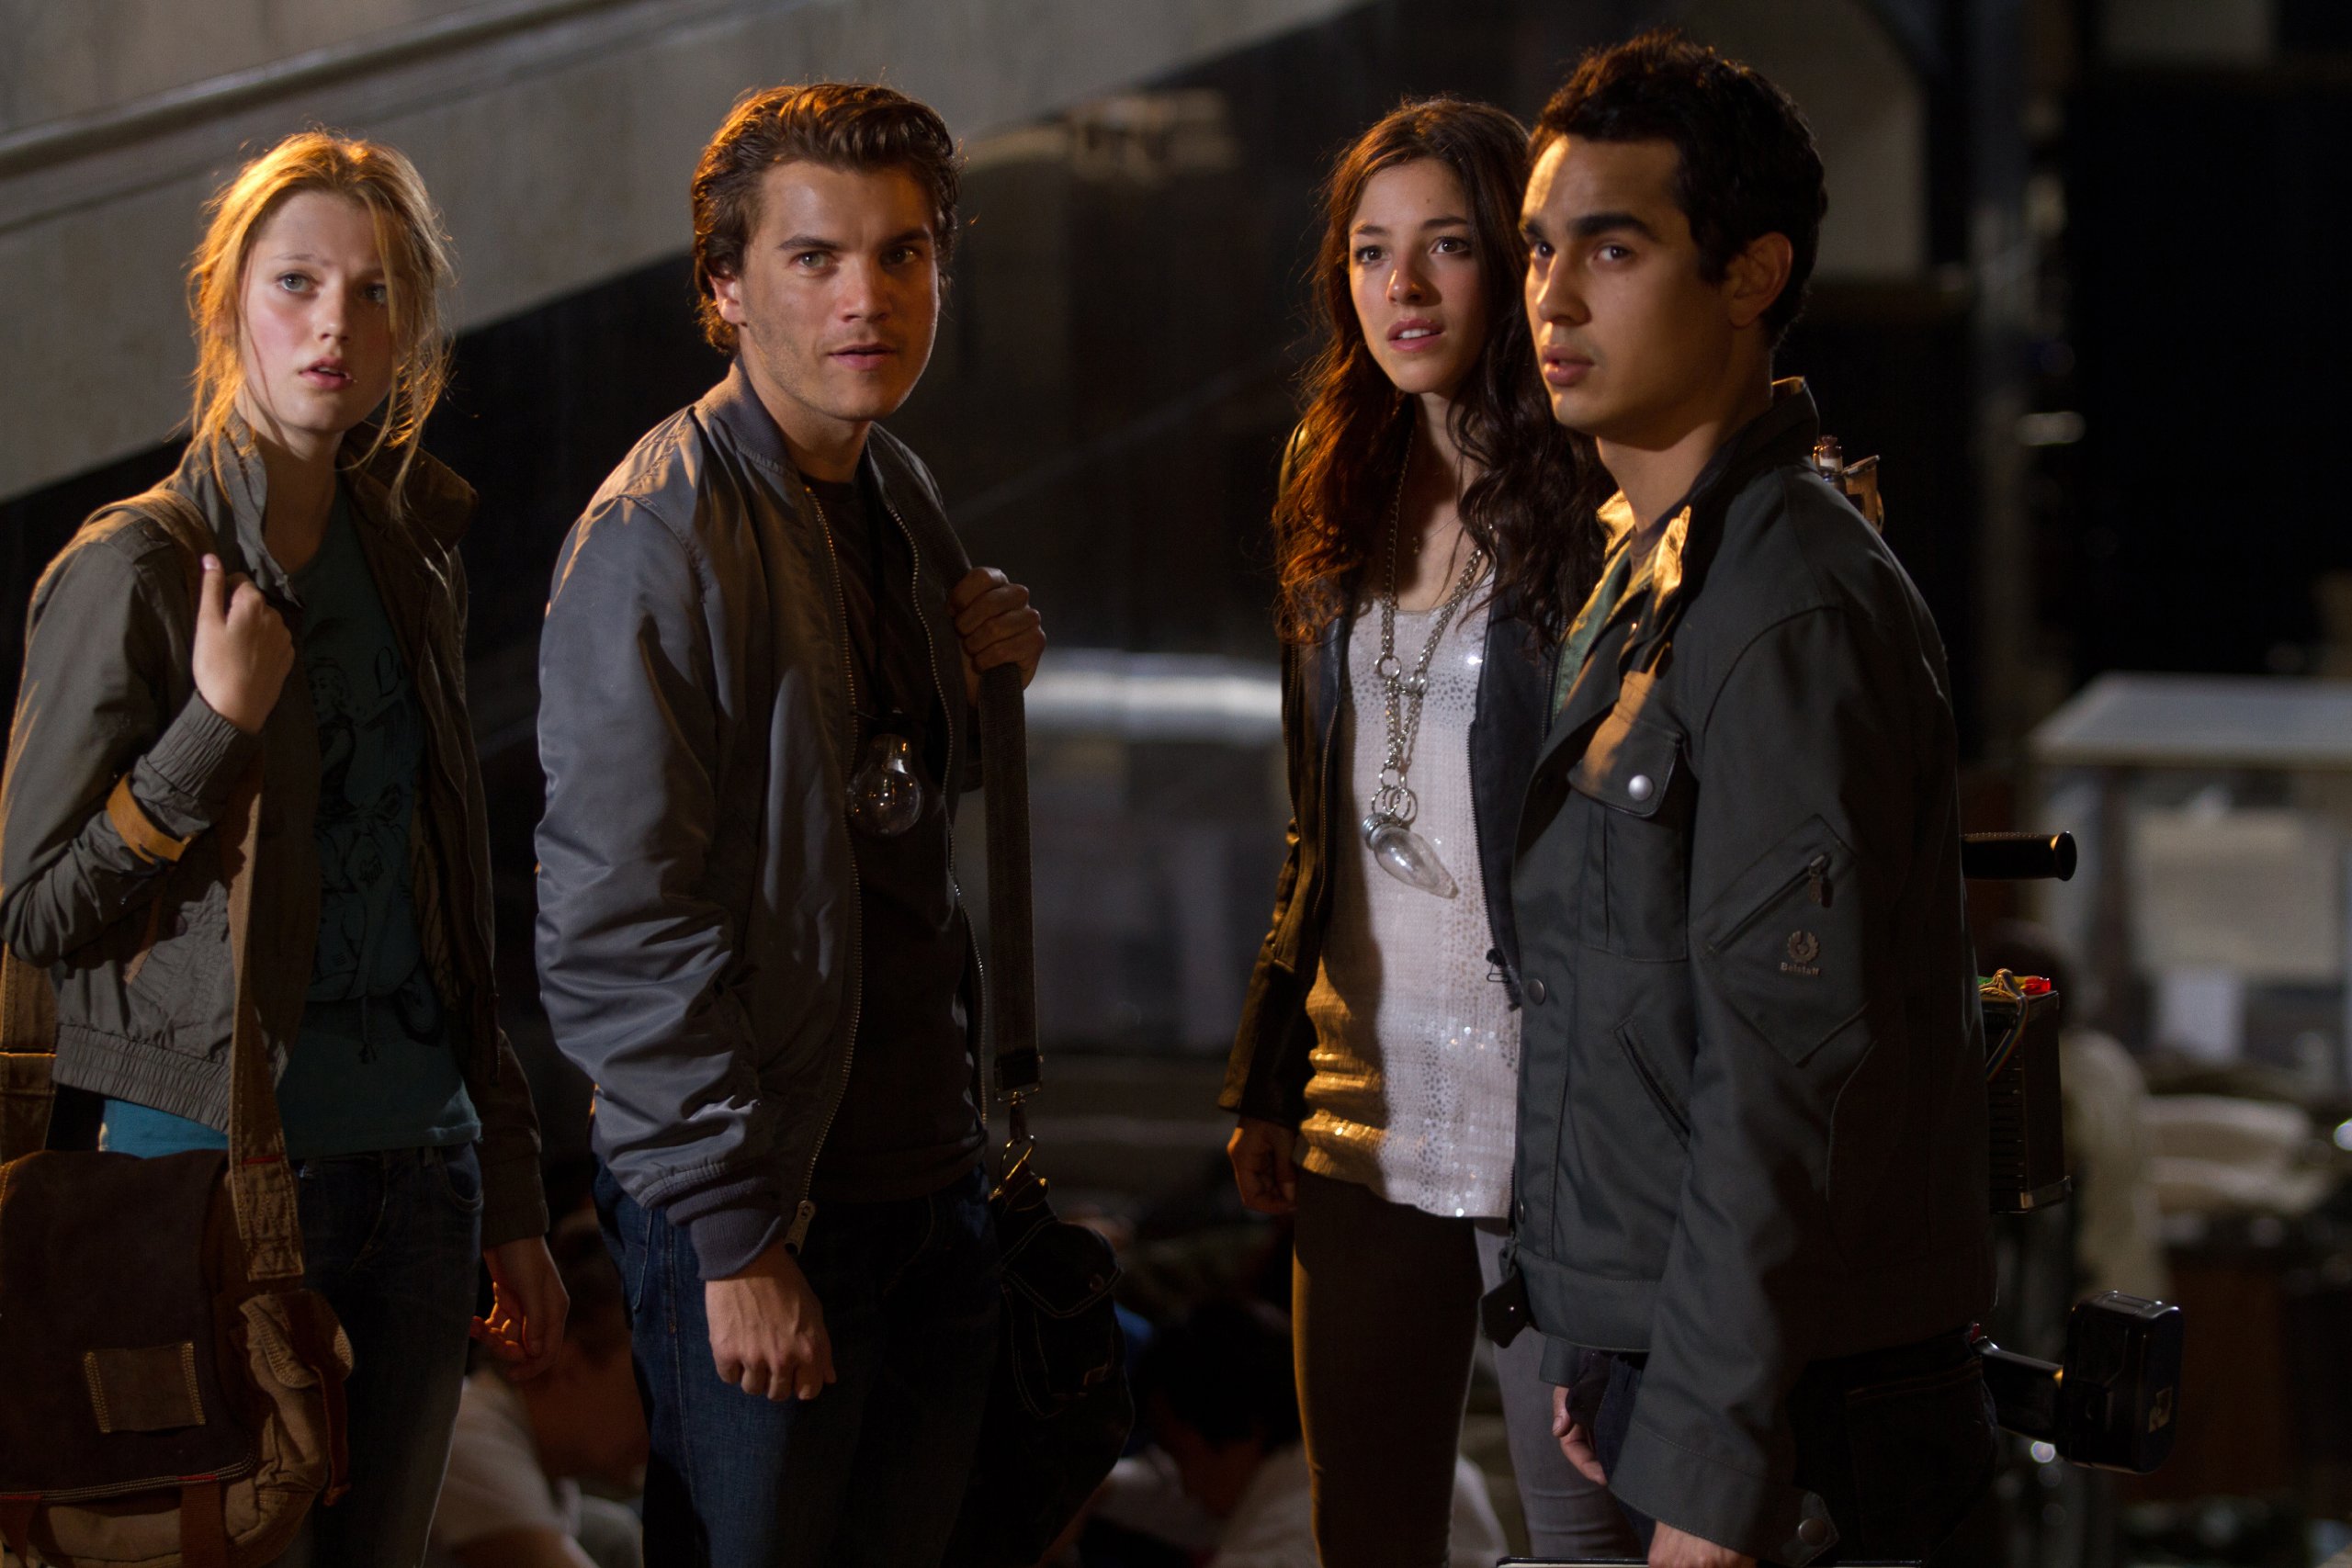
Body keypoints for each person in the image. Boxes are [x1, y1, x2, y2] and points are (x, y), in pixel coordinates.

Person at [0, 131, 563, 1567]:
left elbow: (448, 902)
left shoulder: (411, 556)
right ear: (227, 303)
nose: (335, 326)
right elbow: (34, 911)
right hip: (210, 1184)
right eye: (296, 283)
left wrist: (510, 1193)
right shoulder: (134, 568)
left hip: (420, 1170)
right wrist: (210, 728)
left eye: (375, 292)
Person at [532, 82, 1046, 1567]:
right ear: (724, 287)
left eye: (902, 253)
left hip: (922, 1169)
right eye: (814, 258)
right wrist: (734, 1233)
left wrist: (979, 684)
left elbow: (858, 815)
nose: (866, 297)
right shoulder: (659, 533)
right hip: (765, 1202)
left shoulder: (892, 484)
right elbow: (614, 922)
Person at [1507, 31, 1997, 1567]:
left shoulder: (1787, 605)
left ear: (1752, 273)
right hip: (1687, 1361)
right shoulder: (1659, 564)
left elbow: (1785, 1074)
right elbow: (1623, 996)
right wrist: (1604, 1329)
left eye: (1613, 248)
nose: (1553, 297)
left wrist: (1714, 1457)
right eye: (1538, 248)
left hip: (1798, 1414)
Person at [1219, 98, 1629, 1565]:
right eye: (1369, 251)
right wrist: (1271, 1061)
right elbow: (1318, 816)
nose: (1401, 286)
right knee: (1371, 1530)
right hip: (1364, 1095)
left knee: (1584, 1529)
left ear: (1516, 263)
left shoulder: (1596, 491)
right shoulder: (1333, 469)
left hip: (1553, 1104)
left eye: (1445, 246)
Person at [1094, 1302, 1509, 1568]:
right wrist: (1099, 1487)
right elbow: (1178, 1500)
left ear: (1241, 1432)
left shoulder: (1288, 1543)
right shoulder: (1358, 1444)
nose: (1185, 1486)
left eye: (1182, 1455)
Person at [430, 1213, 648, 1568]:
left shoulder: (543, 1466)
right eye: (643, 1391)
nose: (659, 1421)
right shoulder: (467, 1434)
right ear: (569, 1367)